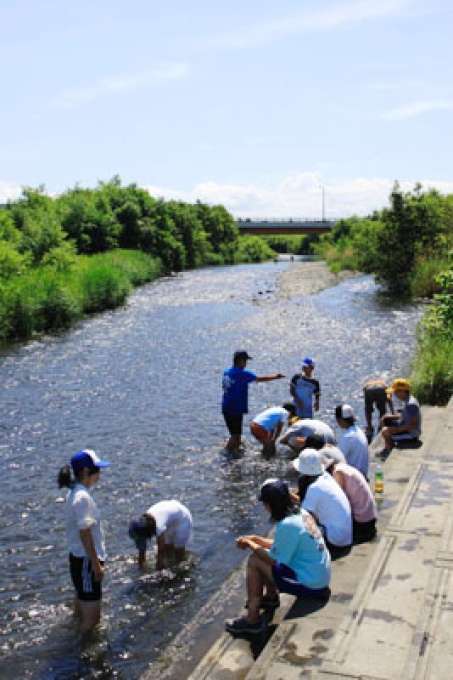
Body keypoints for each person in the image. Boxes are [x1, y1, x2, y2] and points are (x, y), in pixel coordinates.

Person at [225, 478, 331, 637]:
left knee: (255, 561)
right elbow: (282, 546)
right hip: (319, 576)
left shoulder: (287, 525)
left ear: (269, 505)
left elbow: (274, 559)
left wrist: (250, 544)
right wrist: (257, 539)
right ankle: (270, 597)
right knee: (261, 557)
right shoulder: (301, 513)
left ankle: (252, 619)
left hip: (311, 585)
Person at [57, 449, 111, 634]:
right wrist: (96, 565)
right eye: (97, 470)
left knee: (81, 604)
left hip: (79, 559)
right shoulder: (82, 498)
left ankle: (73, 640)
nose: (100, 474)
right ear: (87, 472)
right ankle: (83, 655)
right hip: (86, 562)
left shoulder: (75, 492)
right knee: (92, 620)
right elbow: (85, 533)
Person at [293, 449, 353, 559]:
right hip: (345, 536)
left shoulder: (314, 488)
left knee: (299, 533)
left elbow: (305, 519)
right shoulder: (326, 477)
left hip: (335, 541)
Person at [222, 350, 285, 453]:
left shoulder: (227, 371)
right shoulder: (242, 373)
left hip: (226, 406)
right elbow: (259, 379)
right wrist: (276, 377)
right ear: (241, 361)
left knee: (235, 434)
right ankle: (228, 455)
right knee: (235, 436)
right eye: (246, 361)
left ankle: (234, 454)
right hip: (235, 408)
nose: (246, 364)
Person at [323, 456, 377, 544]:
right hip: (369, 516)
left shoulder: (338, 473)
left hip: (362, 522)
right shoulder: (342, 467)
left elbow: (338, 501)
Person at [128, 500, 193, 570]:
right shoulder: (139, 528)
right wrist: (141, 568)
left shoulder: (158, 526)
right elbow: (141, 552)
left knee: (178, 551)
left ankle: (182, 568)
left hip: (183, 517)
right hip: (170, 515)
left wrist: (159, 570)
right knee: (168, 550)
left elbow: (160, 551)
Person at [379, 378, 422, 458]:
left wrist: (395, 430)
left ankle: (389, 451)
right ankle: (387, 445)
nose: (394, 394)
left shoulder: (411, 405)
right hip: (404, 424)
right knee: (385, 420)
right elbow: (405, 415)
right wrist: (389, 416)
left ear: (402, 391)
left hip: (411, 433)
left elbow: (414, 425)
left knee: (385, 432)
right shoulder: (406, 400)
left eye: (396, 392)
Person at [335, 404, 369, 479]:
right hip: (363, 474)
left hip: (354, 477)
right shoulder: (359, 431)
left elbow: (338, 458)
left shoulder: (348, 437)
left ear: (341, 420)